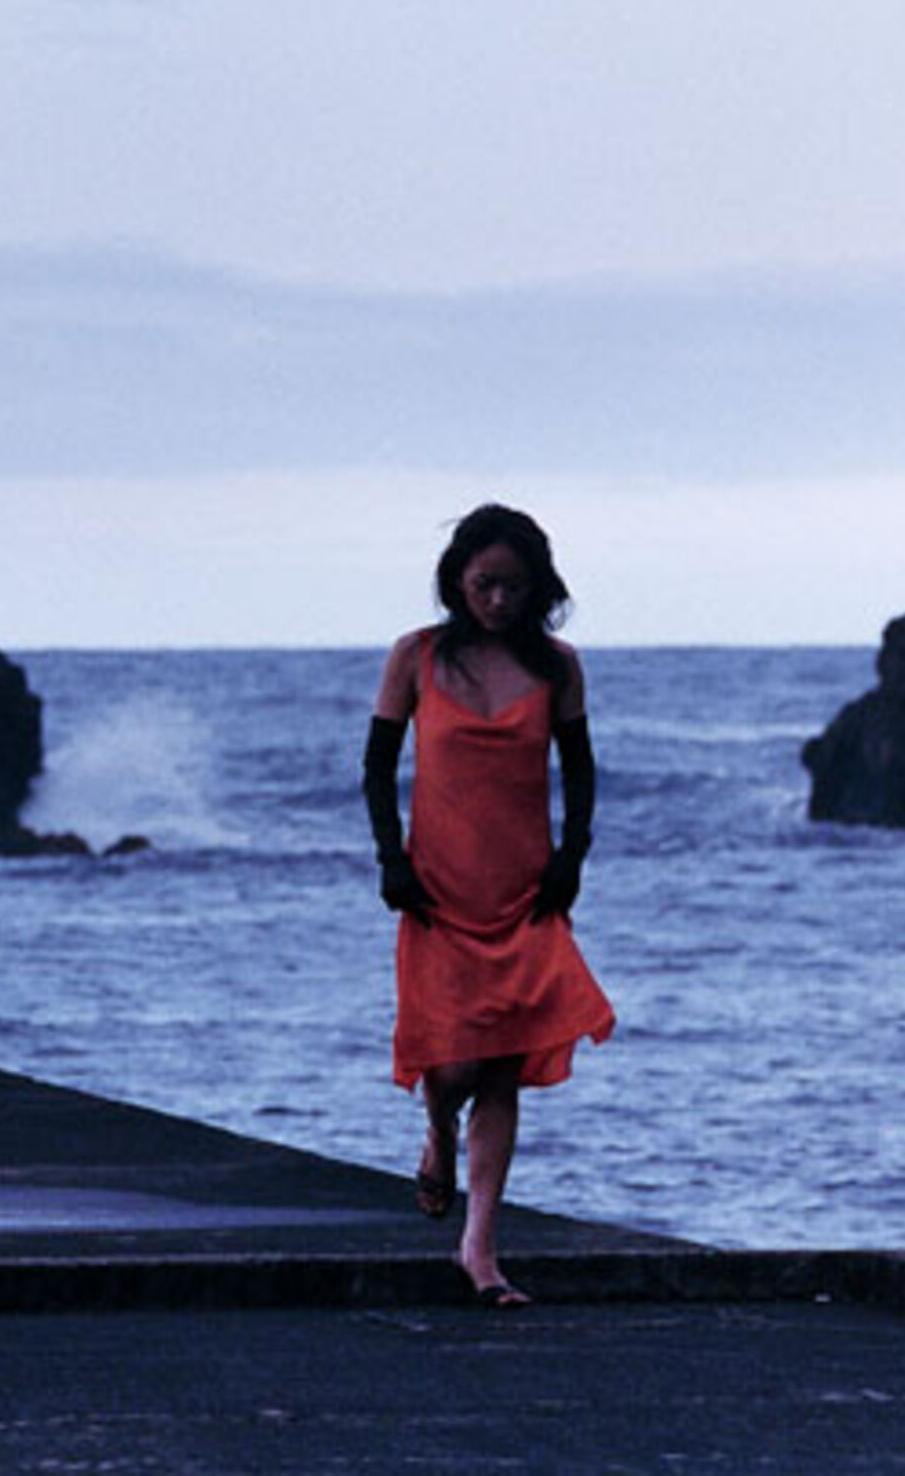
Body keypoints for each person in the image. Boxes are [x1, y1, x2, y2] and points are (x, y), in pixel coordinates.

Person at [362, 503, 616, 1307]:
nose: (499, 599)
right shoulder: (415, 656)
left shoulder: (558, 667)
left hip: (524, 890)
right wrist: (391, 858)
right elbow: (377, 767)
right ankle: (438, 1127)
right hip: (438, 888)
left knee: (504, 1059)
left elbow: (580, 770)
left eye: (514, 585)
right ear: (457, 581)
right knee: (455, 1058)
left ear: (538, 586)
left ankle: (480, 1250)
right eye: (484, 584)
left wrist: (572, 857)